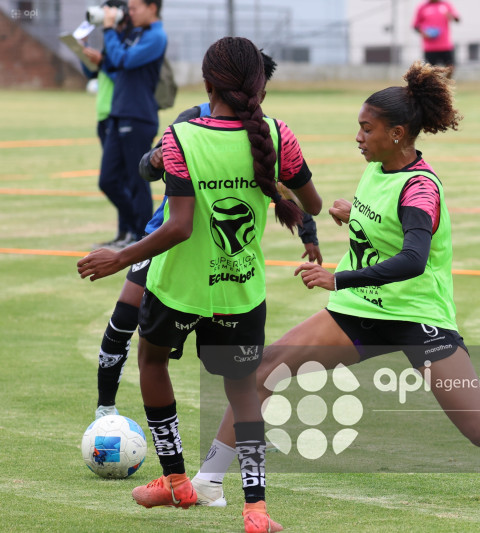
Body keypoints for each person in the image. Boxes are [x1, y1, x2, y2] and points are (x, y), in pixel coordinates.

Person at [197, 62, 480, 520]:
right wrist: (351, 214)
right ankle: (209, 482)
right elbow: (381, 228)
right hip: (361, 312)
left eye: (366, 128)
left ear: (398, 132)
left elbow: (412, 260)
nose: (358, 137)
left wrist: (338, 278)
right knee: (264, 369)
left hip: (419, 318)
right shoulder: (377, 168)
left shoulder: (421, 189)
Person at [78, 36, 322, 533]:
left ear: (207, 83)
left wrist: (118, 256)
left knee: (151, 361)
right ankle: (256, 511)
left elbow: (179, 226)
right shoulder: (278, 135)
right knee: (243, 393)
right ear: (259, 86)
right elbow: (311, 204)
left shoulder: (182, 136)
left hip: (179, 288)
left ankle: (175, 481)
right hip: (241, 289)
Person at [95, 0, 167, 249]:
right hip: (119, 114)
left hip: (138, 116)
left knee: (137, 181)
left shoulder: (156, 37)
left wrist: (108, 31)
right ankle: (132, 228)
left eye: (135, 7)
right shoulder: (134, 32)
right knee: (108, 180)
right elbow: (112, 63)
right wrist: (114, 27)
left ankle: (141, 238)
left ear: (152, 8)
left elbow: (124, 60)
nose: (131, 12)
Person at [80, 0, 130, 152]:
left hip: (117, 112)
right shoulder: (111, 40)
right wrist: (83, 50)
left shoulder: (124, 42)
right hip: (103, 112)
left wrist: (102, 62)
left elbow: (123, 76)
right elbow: (92, 73)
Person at [413, 0, 460, 77]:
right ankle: (432, 86)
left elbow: (457, 19)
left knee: (451, 67)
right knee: (429, 72)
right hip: (430, 47)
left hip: (445, 45)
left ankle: (446, 83)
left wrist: (451, 16)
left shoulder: (446, 5)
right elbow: (415, 26)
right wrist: (424, 33)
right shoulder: (422, 7)